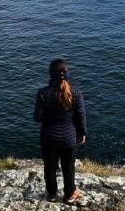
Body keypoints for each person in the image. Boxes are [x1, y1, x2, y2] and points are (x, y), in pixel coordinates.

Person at [34, 58, 87, 203]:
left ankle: (51, 194)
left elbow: (37, 118)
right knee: (68, 168)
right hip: (69, 139)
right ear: (67, 74)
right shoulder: (75, 93)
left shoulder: (43, 93)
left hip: (49, 138)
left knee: (50, 168)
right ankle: (70, 194)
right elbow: (81, 116)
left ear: (50, 74)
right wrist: (82, 133)